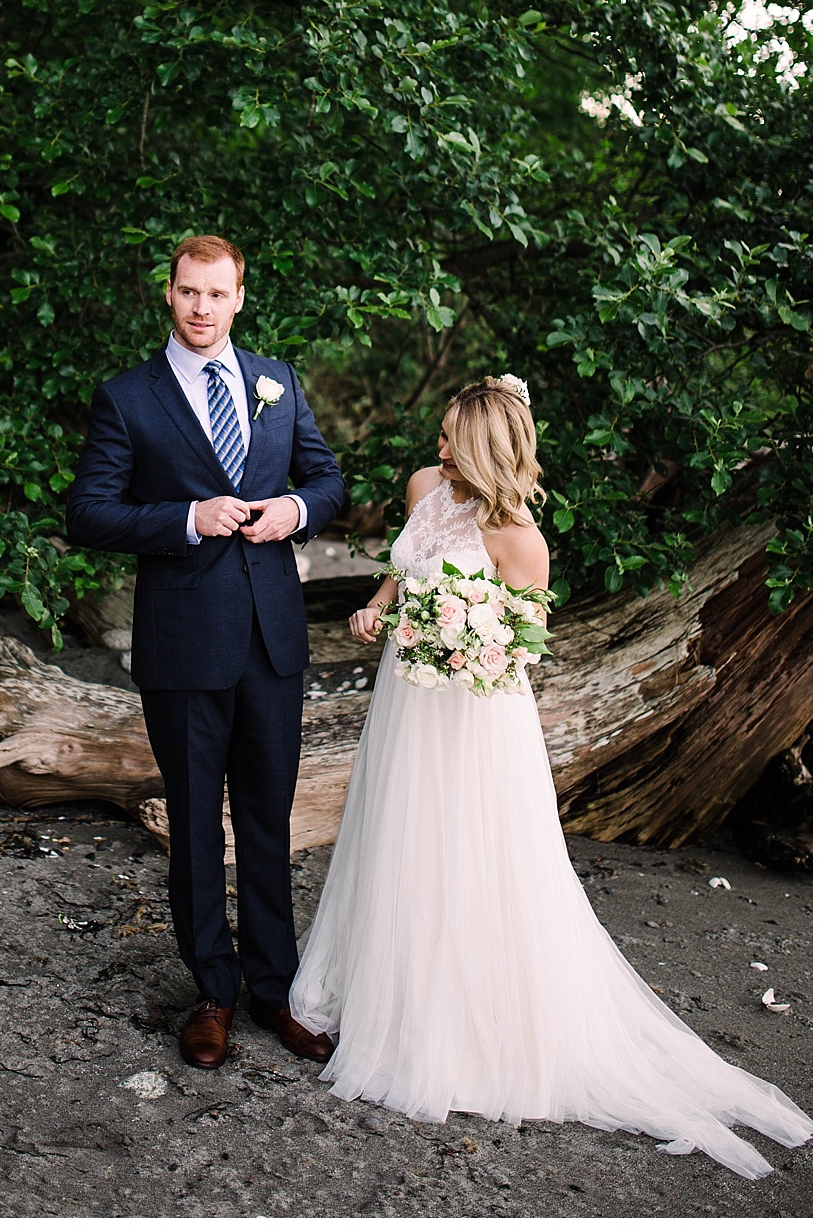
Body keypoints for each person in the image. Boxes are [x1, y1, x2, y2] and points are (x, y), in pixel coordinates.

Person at [288, 375, 812, 1179]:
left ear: (490, 450)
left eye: (451, 439)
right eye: (438, 436)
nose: (435, 450)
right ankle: (389, 993)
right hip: (406, 702)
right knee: (399, 838)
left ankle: (460, 1028)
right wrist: (378, 608)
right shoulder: (426, 488)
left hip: (470, 718)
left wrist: (460, 641)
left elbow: (522, 644)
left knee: (472, 855)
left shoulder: (519, 539)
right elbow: (409, 562)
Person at [66, 234, 346, 1071]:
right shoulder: (127, 398)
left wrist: (297, 511)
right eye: (188, 293)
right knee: (193, 825)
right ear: (170, 294)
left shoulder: (277, 381)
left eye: (216, 295)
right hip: (183, 643)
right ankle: (213, 992)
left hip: (272, 640)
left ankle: (275, 989)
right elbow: (88, 513)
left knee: (268, 820)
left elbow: (327, 478)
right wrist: (187, 519)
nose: (201, 308)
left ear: (238, 297)